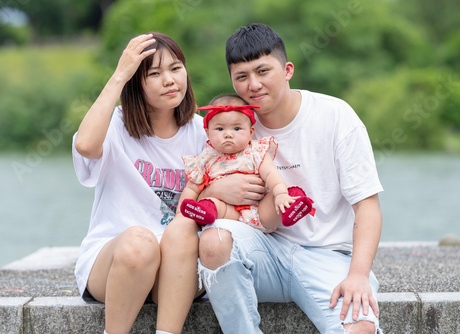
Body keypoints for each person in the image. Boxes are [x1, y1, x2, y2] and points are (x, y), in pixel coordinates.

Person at [197, 23, 384, 334]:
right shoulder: (227, 128)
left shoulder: (335, 116)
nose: (253, 85)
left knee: (360, 329)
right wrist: (216, 189)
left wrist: (359, 275)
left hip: (328, 255)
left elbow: (367, 207)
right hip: (262, 252)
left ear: (287, 70)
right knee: (214, 239)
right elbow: (197, 197)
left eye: (263, 71)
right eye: (241, 76)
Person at [72, 32, 207, 334]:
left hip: (176, 269)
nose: (170, 80)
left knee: (182, 239)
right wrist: (120, 74)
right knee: (139, 242)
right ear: (135, 83)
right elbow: (85, 146)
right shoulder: (116, 127)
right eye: (154, 74)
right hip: (115, 264)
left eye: (175, 68)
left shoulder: (204, 132)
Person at [179, 93, 314, 233]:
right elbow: (191, 189)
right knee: (212, 205)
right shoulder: (205, 159)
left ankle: (291, 206)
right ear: (207, 133)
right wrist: (179, 215)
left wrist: (281, 194)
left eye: (237, 128)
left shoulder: (256, 151)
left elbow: (271, 174)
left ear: (251, 132)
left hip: (260, 210)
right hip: (229, 215)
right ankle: (204, 213)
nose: (228, 134)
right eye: (220, 129)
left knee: (282, 197)